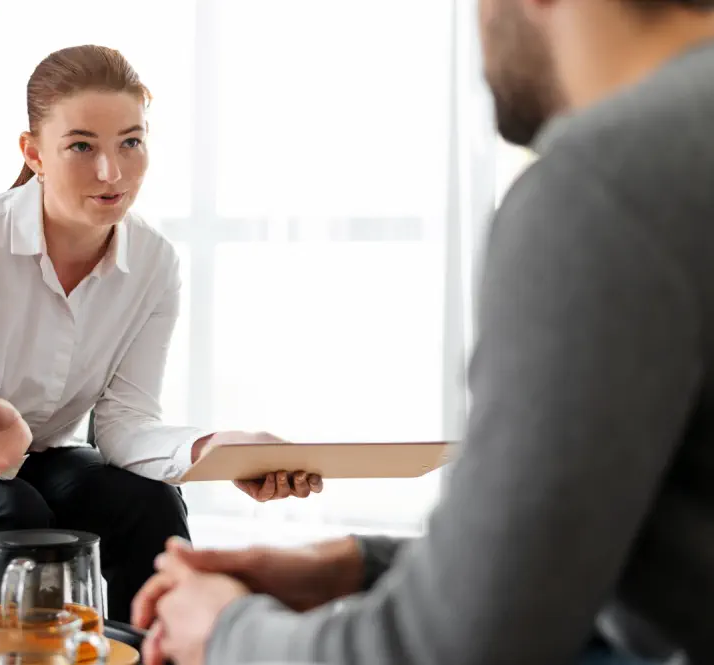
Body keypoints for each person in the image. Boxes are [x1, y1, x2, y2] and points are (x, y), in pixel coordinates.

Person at [131, 0, 714, 663]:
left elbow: (451, 651)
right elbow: (583, 544)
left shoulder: (601, 187)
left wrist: (226, 633)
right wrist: (357, 564)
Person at [0, 45, 322, 622]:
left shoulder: (154, 262)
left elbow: (125, 425)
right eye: (81, 146)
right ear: (34, 153)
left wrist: (215, 449)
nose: (111, 173)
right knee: (5, 511)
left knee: (147, 502)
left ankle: (143, 655)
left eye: (131, 142)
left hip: (27, 461)